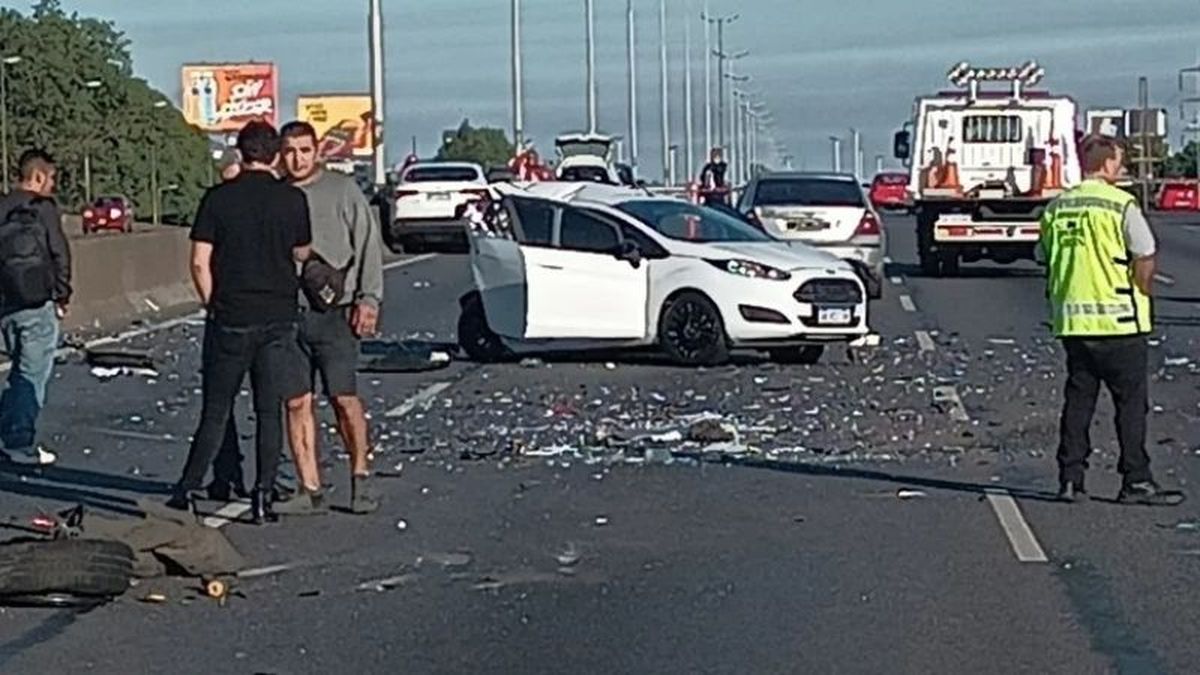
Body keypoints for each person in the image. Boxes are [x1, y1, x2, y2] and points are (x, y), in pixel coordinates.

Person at [168, 121, 313, 523]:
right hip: (278, 316)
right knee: (268, 410)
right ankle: (263, 496)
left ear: (242, 152)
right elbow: (302, 252)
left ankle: (187, 489)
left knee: (216, 409)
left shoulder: (218, 199)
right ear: (275, 154)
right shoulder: (292, 200)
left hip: (231, 317)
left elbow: (199, 261)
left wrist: (213, 303)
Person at [1041, 134, 1183, 506]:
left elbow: (1042, 254)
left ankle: (1070, 479)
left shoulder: (1057, 207)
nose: (1121, 169)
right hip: (1120, 321)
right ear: (1107, 165)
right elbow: (1145, 253)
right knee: (1130, 405)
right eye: (1119, 162)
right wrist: (1142, 287)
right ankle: (1134, 479)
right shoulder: (1121, 205)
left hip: (1074, 323)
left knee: (1078, 402)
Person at [275, 121, 384, 516]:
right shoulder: (275, 194)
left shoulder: (342, 190)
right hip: (288, 313)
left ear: (317, 150)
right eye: (289, 151)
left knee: (343, 399)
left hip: (336, 312)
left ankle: (360, 475)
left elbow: (368, 245)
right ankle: (309, 487)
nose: (297, 159)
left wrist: (368, 298)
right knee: (296, 402)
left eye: (304, 150)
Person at [0, 150, 71, 466]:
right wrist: (62, 294)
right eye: (51, 178)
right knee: (30, 375)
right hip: (36, 303)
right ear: (39, 176)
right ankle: (18, 442)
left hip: (5, 304)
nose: (52, 185)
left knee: (17, 372)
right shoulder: (44, 209)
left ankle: (7, 432)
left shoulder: (2, 206)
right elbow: (59, 252)